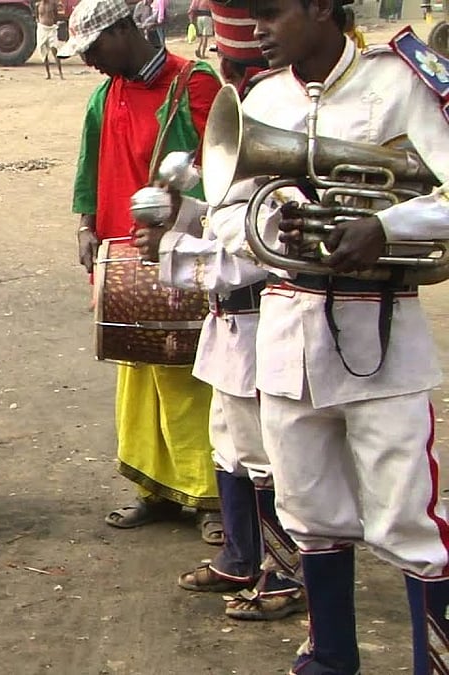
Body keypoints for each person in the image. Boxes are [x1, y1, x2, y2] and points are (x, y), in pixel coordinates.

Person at [206, 0, 449, 670]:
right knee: (308, 512)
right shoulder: (261, 98)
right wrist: (270, 226)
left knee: (408, 520)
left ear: (319, 7)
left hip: (383, 339)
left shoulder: (400, 81)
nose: (255, 29)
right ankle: (329, 658)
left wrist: (386, 227)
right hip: (288, 334)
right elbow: (224, 212)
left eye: (270, 13)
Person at [131, 1, 307, 622]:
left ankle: (282, 577)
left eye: (242, 70)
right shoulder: (243, 127)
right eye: (231, 68)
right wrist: (180, 213)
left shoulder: (286, 135)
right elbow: (223, 220)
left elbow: (259, 249)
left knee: (264, 455)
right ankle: (239, 556)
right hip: (229, 322)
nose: (235, 81)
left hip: (262, 319)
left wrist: (171, 248)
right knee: (230, 446)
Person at [61, 0, 225, 543]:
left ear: (123, 30)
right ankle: (154, 488)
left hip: (179, 250)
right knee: (136, 371)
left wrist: (187, 223)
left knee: (185, 370)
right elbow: (89, 166)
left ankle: (209, 495)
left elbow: (220, 166)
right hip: (122, 253)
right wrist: (86, 226)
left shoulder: (194, 84)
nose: (87, 60)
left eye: (92, 48)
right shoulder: (104, 94)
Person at [37, 0, 65, 78]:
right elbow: (37, 16)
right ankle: (48, 73)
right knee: (43, 51)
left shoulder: (52, 4)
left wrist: (53, 23)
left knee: (54, 49)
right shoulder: (38, 5)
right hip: (42, 29)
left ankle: (60, 73)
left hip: (51, 29)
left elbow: (56, 15)